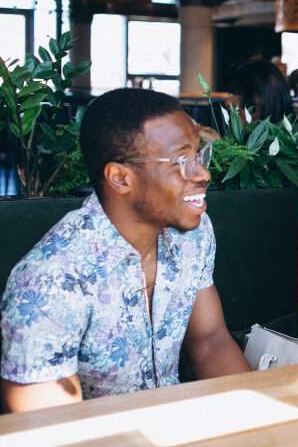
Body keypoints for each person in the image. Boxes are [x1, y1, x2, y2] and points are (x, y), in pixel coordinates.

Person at [1, 89, 249, 412]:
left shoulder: (193, 235)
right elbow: (53, 429)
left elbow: (210, 341)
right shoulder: (49, 282)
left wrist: (261, 419)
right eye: (182, 161)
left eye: (199, 156)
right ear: (120, 178)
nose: (203, 173)